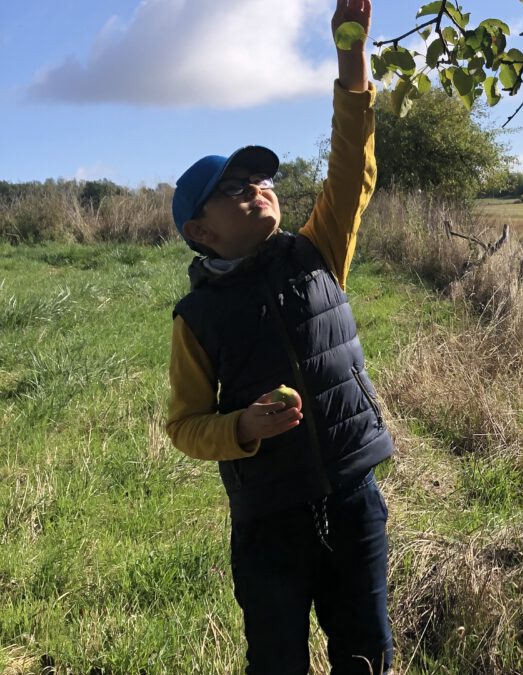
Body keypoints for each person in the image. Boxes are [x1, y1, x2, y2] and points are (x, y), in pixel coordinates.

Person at [164, 1, 393, 672]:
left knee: (368, 655)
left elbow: (352, 168)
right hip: (268, 523)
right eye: (233, 189)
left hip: (353, 499)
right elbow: (184, 425)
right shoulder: (197, 317)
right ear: (201, 232)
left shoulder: (317, 250)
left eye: (261, 179)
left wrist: (351, 63)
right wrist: (243, 426)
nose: (258, 191)